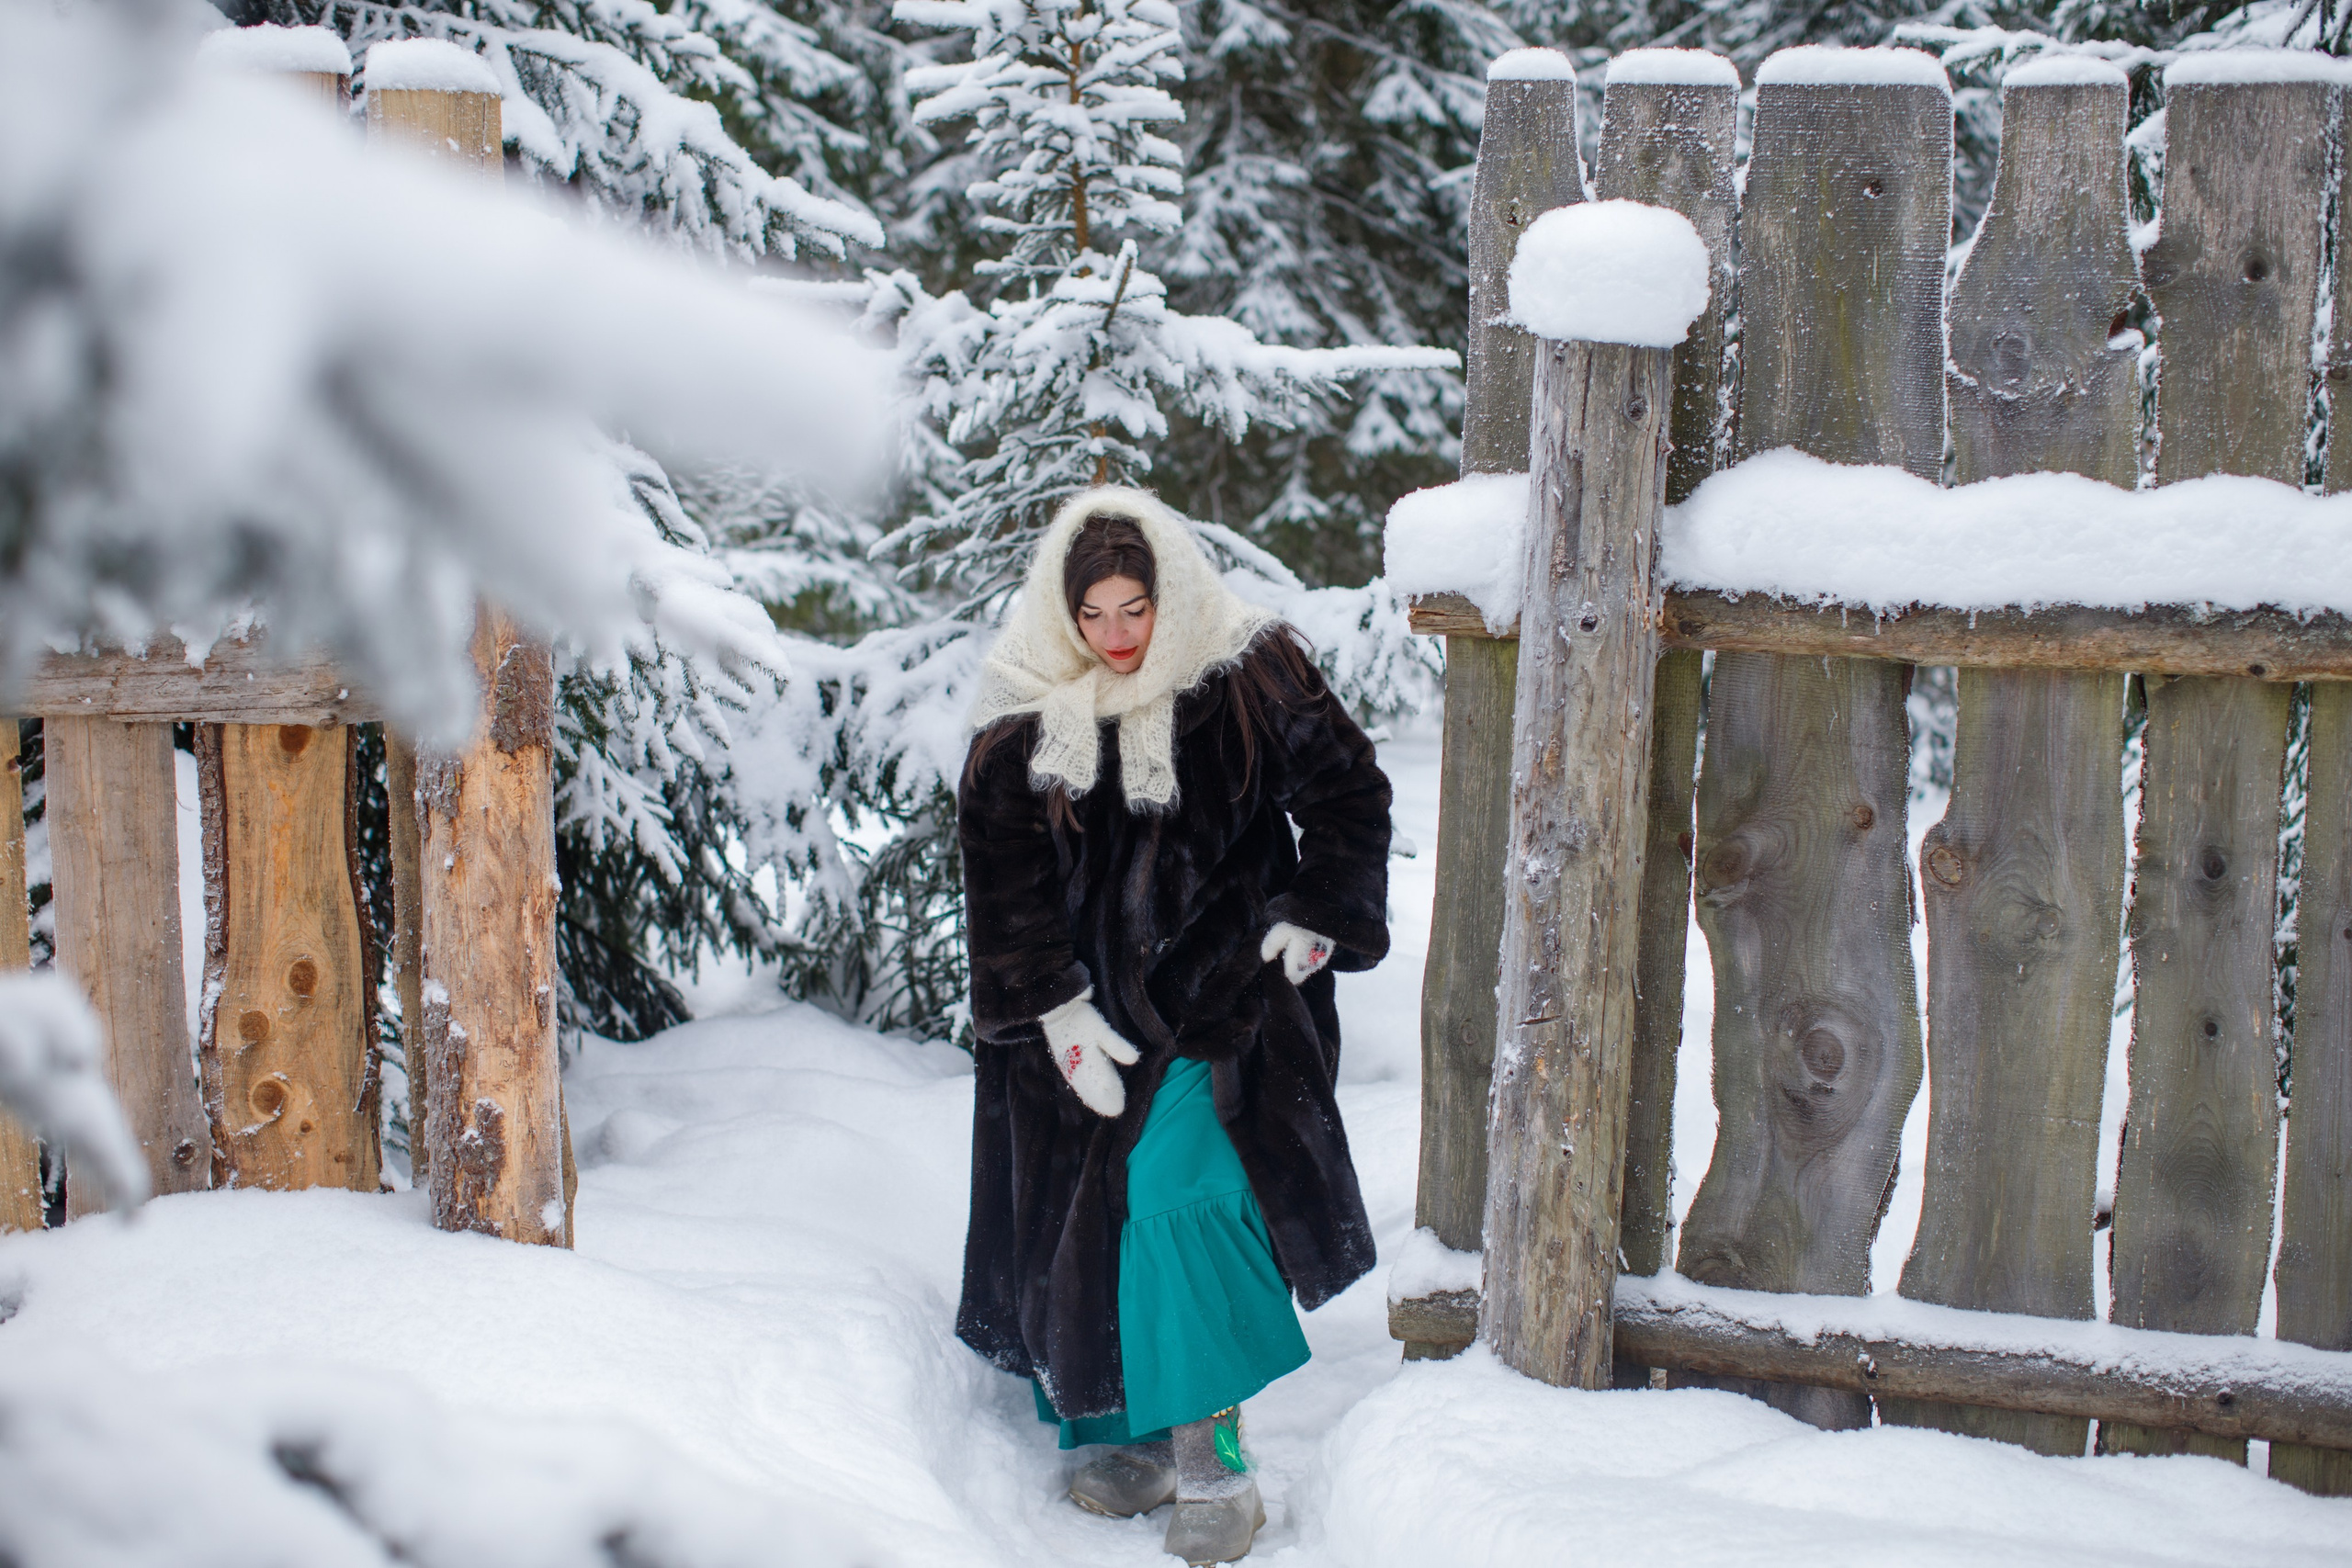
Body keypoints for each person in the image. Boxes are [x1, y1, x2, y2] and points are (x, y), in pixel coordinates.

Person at [955, 487, 1393, 1564]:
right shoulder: (1021, 710)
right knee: (1087, 1210)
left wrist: (1314, 916)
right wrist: (1052, 1012)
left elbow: (1348, 791)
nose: (1115, 636)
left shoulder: (1247, 673)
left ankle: (1213, 1462)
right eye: (1094, 613)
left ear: (1170, 595)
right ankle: (1138, 1434)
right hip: (1083, 1021)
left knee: (1173, 1191)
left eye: (1136, 607)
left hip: (1226, 999)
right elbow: (1001, 881)